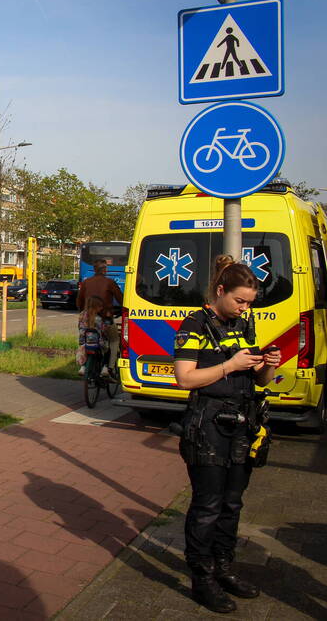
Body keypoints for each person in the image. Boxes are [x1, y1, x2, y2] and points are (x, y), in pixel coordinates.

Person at [173, 255, 280, 613]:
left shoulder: (244, 324)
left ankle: (223, 568)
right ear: (221, 291)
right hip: (208, 426)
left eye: (249, 302)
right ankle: (201, 579)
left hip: (241, 426)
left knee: (232, 504)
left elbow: (257, 381)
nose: (245, 307)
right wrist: (230, 365)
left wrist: (268, 368)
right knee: (207, 506)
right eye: (240, 300)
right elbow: (185, 378)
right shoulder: (195, 325)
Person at [77, 259, 123, 371]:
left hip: (88, 318)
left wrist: (85, 312)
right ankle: (109, 367)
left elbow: (79, 302)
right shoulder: (110, 282)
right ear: (105, 270)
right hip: (105, 317)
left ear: (94, 270)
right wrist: (119, 310)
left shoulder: (86, 282)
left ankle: (83, 365)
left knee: (85, 338)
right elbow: (121, 300)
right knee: (114, 340)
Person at [78, 295, 109, 377]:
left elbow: (79, 327)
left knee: (84, 352)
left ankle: (83, 367)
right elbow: (103, 330)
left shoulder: (81, 315)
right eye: (100, 306)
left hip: (84, 341)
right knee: (107, 349)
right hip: (97, 342)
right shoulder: (98, 318)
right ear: (96, 307)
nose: (101, 308)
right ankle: (105, 367)